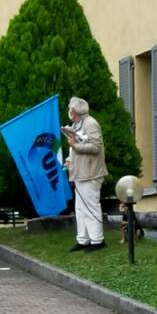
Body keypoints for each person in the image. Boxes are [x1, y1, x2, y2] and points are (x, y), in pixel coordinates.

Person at [62, 96, 108, 252]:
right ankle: (83, 239)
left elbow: (96, 147)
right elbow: (77, 147)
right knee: (81, 208)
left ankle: (97, 240)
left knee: (91, 206)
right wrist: (69, 160)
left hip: (91, 173)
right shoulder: (78, 124)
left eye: (71, 109)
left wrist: (75, 147)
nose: (69, 111)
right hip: (81, 173)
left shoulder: (90, 124)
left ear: (75, 111)